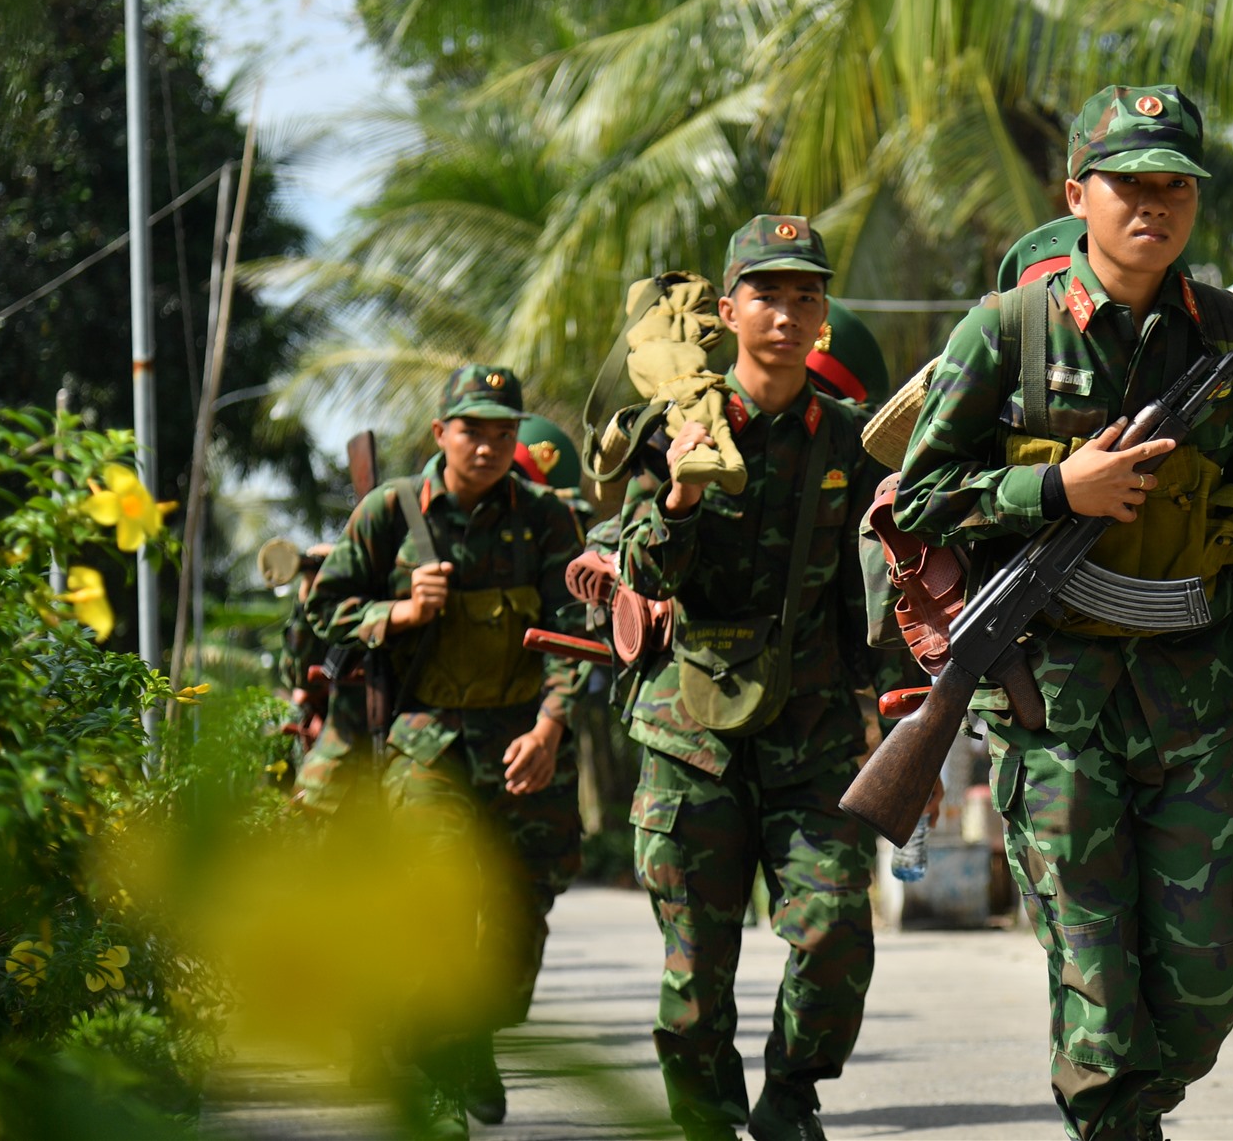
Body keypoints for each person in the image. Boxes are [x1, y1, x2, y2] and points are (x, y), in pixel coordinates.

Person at [892, 84, 1233, 1141]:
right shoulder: (1003, 329)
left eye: (1175, 185)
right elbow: (914, 501)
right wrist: (1057, 490)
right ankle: (1111, 1121)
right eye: (1129, 182)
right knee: (1098, 994)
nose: (1153, 202)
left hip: (1195, 701)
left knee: (1202, 984)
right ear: (1077, 194)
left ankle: (1128, 1117)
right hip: (1053, 708)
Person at [614, 215, 897, 1141]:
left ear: (823, 316)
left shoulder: (854, 442)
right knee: (696, 975)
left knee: (834, 931)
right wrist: (682, 492)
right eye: (767, 295)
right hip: (688, 734)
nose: (787, 312)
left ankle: (790, 1097)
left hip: (811, 732)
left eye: (805, 295)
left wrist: (897, 706)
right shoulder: (676, 426)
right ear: (729, 310)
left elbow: (880, 586)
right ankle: (701, 1117)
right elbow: (644, 576)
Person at [306, 364, 584, 1139]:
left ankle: (470, 1037)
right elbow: (322, 609)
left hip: (523, 745)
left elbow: (576, 631)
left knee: (519, 920)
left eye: (504, 431)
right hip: (425, 743)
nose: (489, 445)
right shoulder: (389, 512)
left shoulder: (547, 519)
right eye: (473, 429)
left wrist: (552, 726)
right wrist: (395, 613)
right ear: (441, 433)